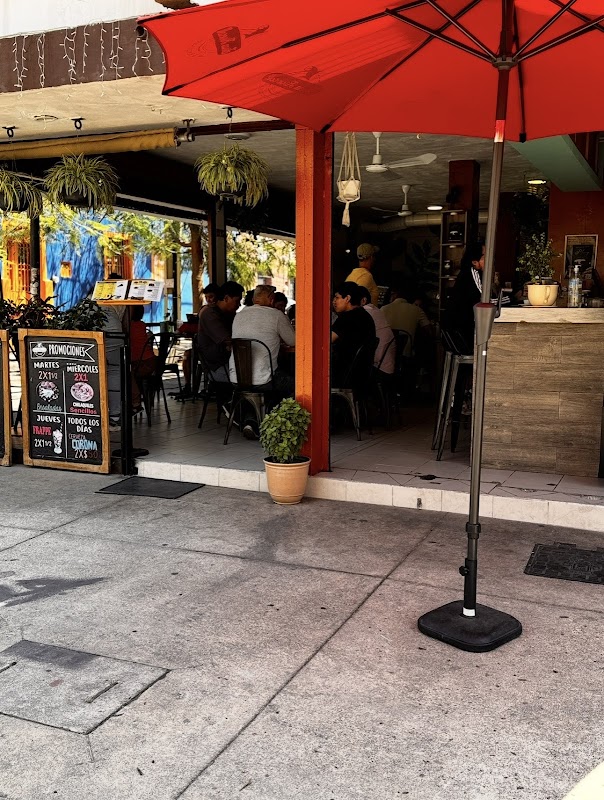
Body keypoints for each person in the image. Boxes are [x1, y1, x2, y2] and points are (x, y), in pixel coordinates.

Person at [230, 285, 295, 439]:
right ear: (272, 299)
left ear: (254, 299)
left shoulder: (239, 315)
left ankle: (251, 421)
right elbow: (293, 340)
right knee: (296, 385)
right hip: (265, 379)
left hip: (237, 378)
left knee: (257, 388)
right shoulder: (276, 315)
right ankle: (275, 425)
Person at [176, 281, 221, 399]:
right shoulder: (205, 310)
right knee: (187, 355)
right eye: (206, 297)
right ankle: (189, 386)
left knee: (191, 355)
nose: (209, 300)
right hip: (203, 348)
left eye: (211, 297)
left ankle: (203, 387)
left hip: (212, 351)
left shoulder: (214, 312)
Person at [331, 281, 377, 388]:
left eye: (337, 298)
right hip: (362, 372)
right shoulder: (365, 316)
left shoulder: (347, 318)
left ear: (347, 298)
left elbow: (327, 340)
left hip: (345, 373)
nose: (334, 301)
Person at [197, 280, 244, 381]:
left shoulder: (229, 314)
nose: (239, 305)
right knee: (251, 377)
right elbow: (228, 340)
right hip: (217, 366)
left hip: (229, 362)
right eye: (237, 301)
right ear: (226, 298)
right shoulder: (209, 314)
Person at [444, 242, 484, 351]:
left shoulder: (465, 273)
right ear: (475, 262)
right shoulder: (472, 273)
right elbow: (482, 301)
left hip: (457, 328)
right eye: (484, 256)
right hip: (462, 330)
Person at [381, 281, 432, 356]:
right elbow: (429, 331)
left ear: (395, 295)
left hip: (385, 355)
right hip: (406, 355)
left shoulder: (383, 309)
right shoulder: (417, 310)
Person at [357, 286, 395, 375]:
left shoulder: (365, 313)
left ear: (363, 301)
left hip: (377, 367)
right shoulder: (376, 310)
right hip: (386, 364)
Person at [129, 305, 156, 413]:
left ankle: (135, 402)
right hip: (151, 362)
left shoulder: (129, 327)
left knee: (125, 374)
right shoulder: (142, 325)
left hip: (140, 365)